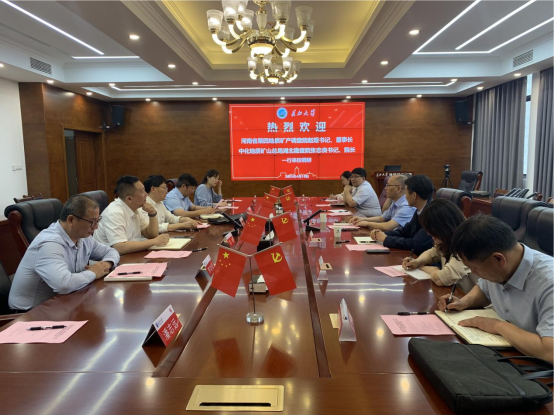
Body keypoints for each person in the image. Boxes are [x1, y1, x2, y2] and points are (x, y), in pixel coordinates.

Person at [438, 215, 554, 364]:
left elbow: (550, 352)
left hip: (537, 367)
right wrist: (464, 302)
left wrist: (497, 326)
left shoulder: (549, 283)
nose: (473, 273)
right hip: (506, 353)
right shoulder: (501, 266)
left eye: (475, 268)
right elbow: (484, 289)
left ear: (499, 259)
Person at [9, 195, 120, 311]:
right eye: (92, 222)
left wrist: (106, 264)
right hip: (31, 313)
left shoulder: (83, 237)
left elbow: (111, 251)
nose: (96, 227)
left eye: (97, 221)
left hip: (64, 302)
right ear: (71, 220)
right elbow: (63, 284)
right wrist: (93, 272)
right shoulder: (49, 244)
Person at [402, 199, 479, 293]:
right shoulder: (447, 240)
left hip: (469, 298)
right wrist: (418, 261)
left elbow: (441, 279)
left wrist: (430, 269)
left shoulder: (465, 244)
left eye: (431, 229)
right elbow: (433, 253)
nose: (428, 233)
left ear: (444, 227)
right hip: (456, 294)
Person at [94, 176, 170, 255]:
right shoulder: (114, 213)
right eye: (142, 191)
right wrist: (154, 242)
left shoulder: (135, 208)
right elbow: (120, 247)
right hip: (109, 260)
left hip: (130, 255)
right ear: (129, 199)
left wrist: (152, 214)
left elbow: (151, 234)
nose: (146, 194)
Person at [370, 174, 434, 255]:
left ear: (414, 195)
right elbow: (404, 231)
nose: (405, 197)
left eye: (406, 193)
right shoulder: (419, 209)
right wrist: (382, 234)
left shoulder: (431, 214)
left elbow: (416, 244)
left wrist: (386, 239)